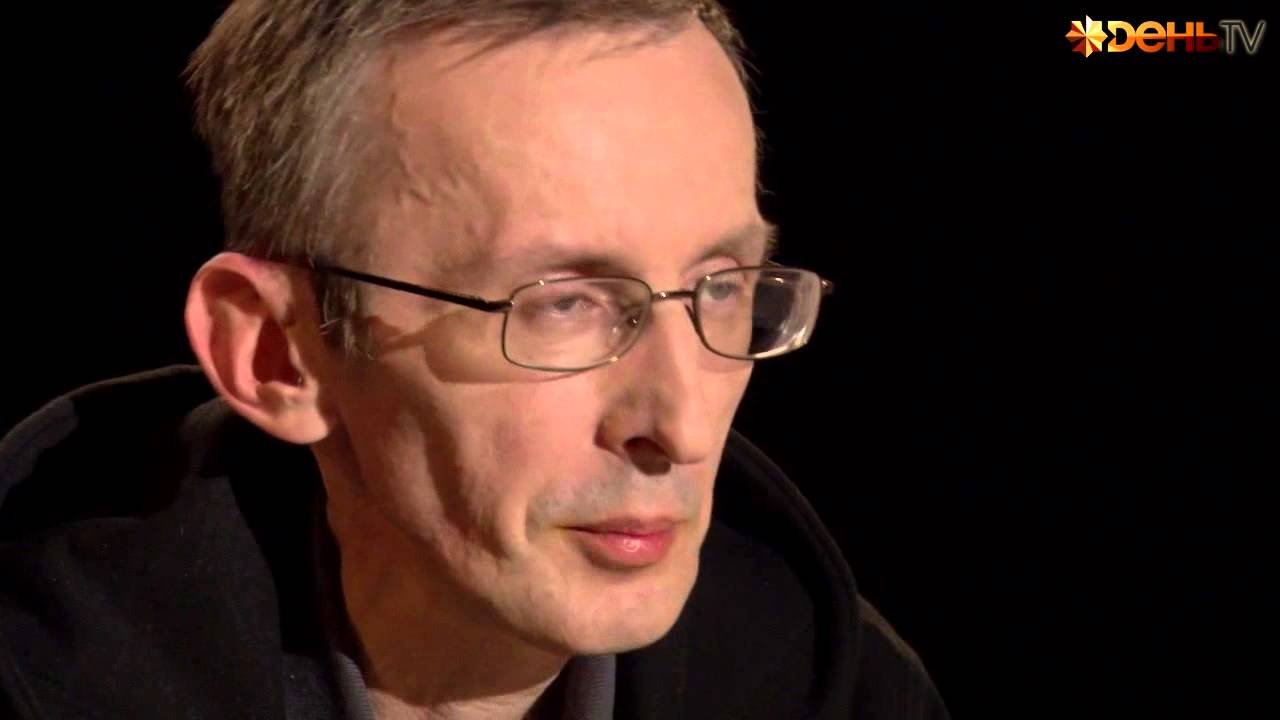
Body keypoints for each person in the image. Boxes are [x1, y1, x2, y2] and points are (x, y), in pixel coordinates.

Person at [0, 1, 949, 718]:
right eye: (564, 305)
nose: (684, 428)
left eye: (723, 286)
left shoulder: (845, 689)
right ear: (277, 355)